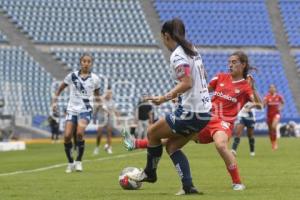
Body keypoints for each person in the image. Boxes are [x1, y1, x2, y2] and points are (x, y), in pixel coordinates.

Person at [123, 51, 263, 191]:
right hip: (204, 118)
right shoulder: (220, 77)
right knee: (171, 143)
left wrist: (253, 88)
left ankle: (237, 182)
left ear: (243, 65)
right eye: (229, 62)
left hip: (223, 123)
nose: (230, 65)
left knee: (221, 145)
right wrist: (178, 97)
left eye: (234, 62)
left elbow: (260, 105)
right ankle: (136, 144)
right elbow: (200, 91)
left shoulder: (245, 86)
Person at [125, 18, 212, 195]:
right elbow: (201, 77)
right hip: (204, 113)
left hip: (190, 112)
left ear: (166, 36)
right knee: (172, 147)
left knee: (152, 133)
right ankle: (188, 186)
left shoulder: (178, 55)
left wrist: (163, 98)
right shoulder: (192, 50)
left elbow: (187, 82)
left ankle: (150, 173)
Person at [52, 54, 101, 173]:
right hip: (72, 109)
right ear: (80, 62)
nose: (86, 63)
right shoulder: (72, 76)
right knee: (67, 136)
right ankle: (70, 162)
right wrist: (54, 101)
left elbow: (97, 95)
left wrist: (99, 106)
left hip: (85, 109)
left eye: (88, 61)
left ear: (91, 64)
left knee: (79, 133)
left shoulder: (95, 79)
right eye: (84, 61)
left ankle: (79, 161)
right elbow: (60, 88)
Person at [93, 87, 120, 155]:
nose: (109, 94)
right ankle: (97, 147)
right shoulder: (101, 100)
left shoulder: (112, 101)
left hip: (109, 118)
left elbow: (115, 111)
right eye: (108, 93)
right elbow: (96, 109)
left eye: (110, 93)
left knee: (109, 133)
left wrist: (118, 119)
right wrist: (94, 118)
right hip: (101, 118)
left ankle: (109, 147)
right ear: (105, 93)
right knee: (99, 133)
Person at [263, 84, 284, 150]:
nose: (272, 89)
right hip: (269, 116)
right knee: (270, 130)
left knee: (273, 126)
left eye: (273, 87)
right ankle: (272, 142)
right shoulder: (267, 97)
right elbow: (263, 106)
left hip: (276, 114)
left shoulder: (278, 96)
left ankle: (275, 143)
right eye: (270, 87)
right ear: (269, 89)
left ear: (275, 89)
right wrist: (264, 102)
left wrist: (280, 107)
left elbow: (283, 103)